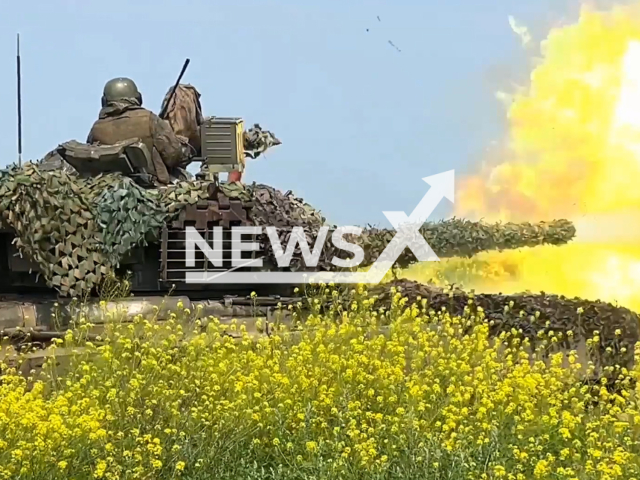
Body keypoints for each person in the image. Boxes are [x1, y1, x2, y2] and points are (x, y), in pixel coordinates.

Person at [87, 77, 190, 184]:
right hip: (152, 187)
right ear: (138, 98)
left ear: (104, 101)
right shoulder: (150, 120)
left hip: (110, 188)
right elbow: (173, 156)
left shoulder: (97, 128)